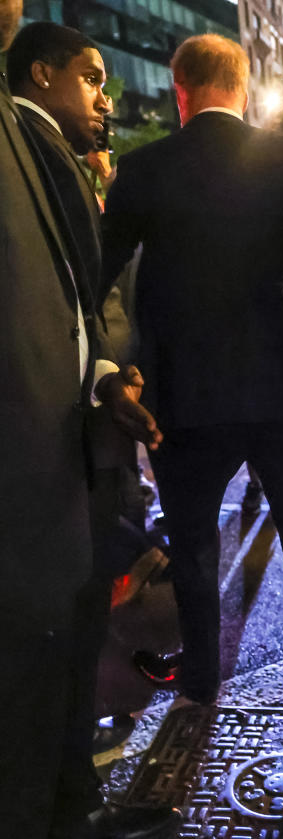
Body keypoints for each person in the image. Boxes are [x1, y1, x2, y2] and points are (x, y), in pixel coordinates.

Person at [99, 33, 283, 811]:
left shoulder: (146, 169)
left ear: (180, 89)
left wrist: (118, 374)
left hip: (185, 399)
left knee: (190, 544)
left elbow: (100, 276)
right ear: (243, 84)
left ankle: (198, 683)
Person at [0, 9, 177, 838]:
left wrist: (106, 377)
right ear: (41, 75)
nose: (104, 98)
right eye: (92, 78)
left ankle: (72, 808)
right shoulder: (30, 137)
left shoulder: (38, 142)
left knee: (66, 653)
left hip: (66, 449)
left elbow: (75, 296)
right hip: (26, 463)